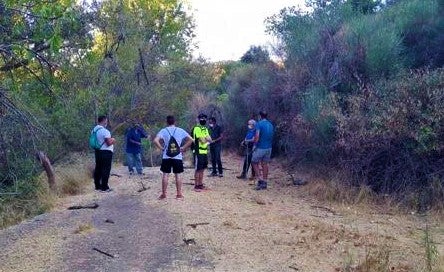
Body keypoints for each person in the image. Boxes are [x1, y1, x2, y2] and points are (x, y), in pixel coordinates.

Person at [153, 115, 193, 200]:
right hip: (177, 156)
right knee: (178, 175)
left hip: (166, 156)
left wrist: (162, 148)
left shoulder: (163, 131)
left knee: (165, 174)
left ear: (167, 122)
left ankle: (163, 194)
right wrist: (183, 147)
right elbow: (191, 140)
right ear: (175, 122)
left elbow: (155, 140)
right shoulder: (180, 130)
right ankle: (178, 194)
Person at [92, 115, 116, 192]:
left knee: (98, 168)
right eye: (106, 120)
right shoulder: (105, 131)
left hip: (97, 151)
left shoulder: (94, 130)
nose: (107, 122)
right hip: (106, 152)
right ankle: (104, 187)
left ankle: (97, 186)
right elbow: (108, 143)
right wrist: (113, 140)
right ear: (104, 120)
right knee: (106, 169)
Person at [251, 111, 274, 190]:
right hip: (269, 147)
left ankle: (260, 179)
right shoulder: (270, 124)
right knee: (265, 164)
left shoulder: (259, 124)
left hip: (261, 147)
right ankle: (265, 181)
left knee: (254, 161)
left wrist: (254, 145)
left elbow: (257, 136)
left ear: (260, 116)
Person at [192, 113, 212, 191]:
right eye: (202, 118)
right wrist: (206, 138)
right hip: (198, 151)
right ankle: (196, 185)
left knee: (202, 168)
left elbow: (210, 139)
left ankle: (200, 184)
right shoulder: (196, 128)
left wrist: (206, 139)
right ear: (199, 119)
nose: (203, 120)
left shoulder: (205, 129)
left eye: (204, 119)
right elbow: (203, 141)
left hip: (204, 151)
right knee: (198, 168)